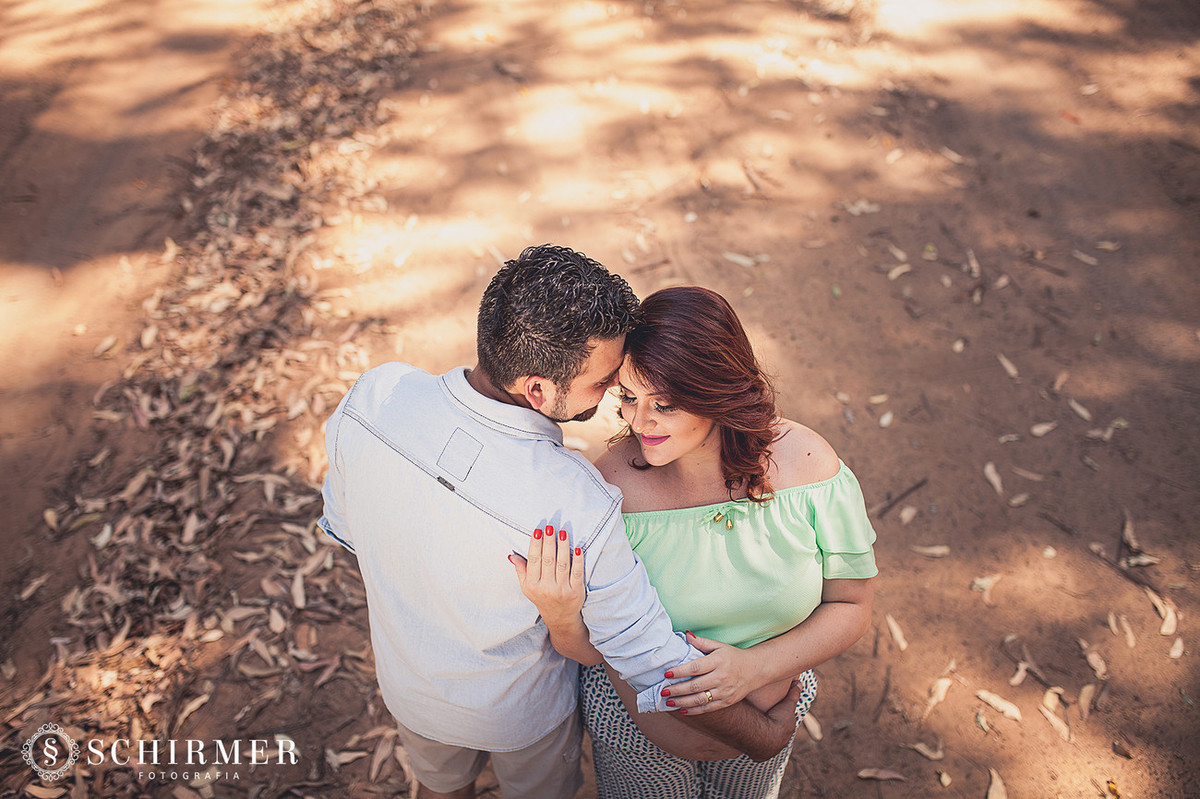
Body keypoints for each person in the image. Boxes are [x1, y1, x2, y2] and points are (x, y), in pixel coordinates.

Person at [318, 247, 802, 799]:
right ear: (539, 390)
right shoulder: (575, 504)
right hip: (523, 719)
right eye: (603, 382)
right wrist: (762, 736)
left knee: (438, 788)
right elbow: (649, 660)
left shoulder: (374, 397)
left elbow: (347, 528)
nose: (616, 392)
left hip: (410, 692)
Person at [513, 286, 878, 798]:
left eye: (664, 404)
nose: (640, 422)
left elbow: (852, 602)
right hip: (634, 738)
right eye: (629, 398)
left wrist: (754, 670)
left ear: (717, 390)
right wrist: (558, 613)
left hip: (771, 714)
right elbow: (593, 649)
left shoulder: (809, 467)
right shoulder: (610, 492)